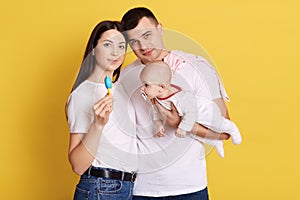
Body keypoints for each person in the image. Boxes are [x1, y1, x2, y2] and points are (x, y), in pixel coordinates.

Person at [119, 7, 239, 199]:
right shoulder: (125, 77)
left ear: (160, 29)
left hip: (189, 189)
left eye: (147, 35)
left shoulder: (196, 67)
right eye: (134, 41)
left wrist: (181, 124)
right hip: (140, 190)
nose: (143, 46)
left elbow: (224, 131)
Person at [66, 20, 138, 200]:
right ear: (93, 49)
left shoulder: (121, 90)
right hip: (101, 188)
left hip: (129, 188)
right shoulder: (82, 95)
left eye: (121, 46)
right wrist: (97, 125)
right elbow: (78, 165)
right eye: (107, 45)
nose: (115, 52)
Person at [139, 61, 242, 158]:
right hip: (187, 115)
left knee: (217, 124)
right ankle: (215, 141)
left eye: (146, 85)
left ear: (161, 87)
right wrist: (159, 125)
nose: (142, 88)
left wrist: (182, 128)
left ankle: (232, 128)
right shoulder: (156, 97)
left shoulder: (180, 98)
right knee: (195, 135)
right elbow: (156, 111)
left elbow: (191, 113)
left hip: (202, 110)